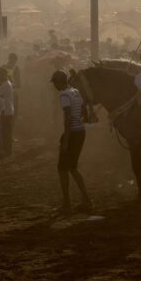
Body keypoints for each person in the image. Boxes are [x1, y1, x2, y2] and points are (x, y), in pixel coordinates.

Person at [52, 70, 91, 214]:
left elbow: (68, 118)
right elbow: (83, 109)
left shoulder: (64, 95)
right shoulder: (75, 91)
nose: (54, 86)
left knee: (62, 169)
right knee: (73, 168)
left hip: (72, 133)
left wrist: (66, 141)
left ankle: (67, 204)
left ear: (59, 82)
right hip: (80, 131)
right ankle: (86, 200)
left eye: (55, 83)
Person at [0, 66, 15, 156]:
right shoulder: (7, 83)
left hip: (6, 111)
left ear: (4, 74)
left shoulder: (5, 85)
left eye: (0, 74)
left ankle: (7, 151)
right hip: (8, 110)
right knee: (6, 132)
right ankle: (7, 151)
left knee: (6, 132)